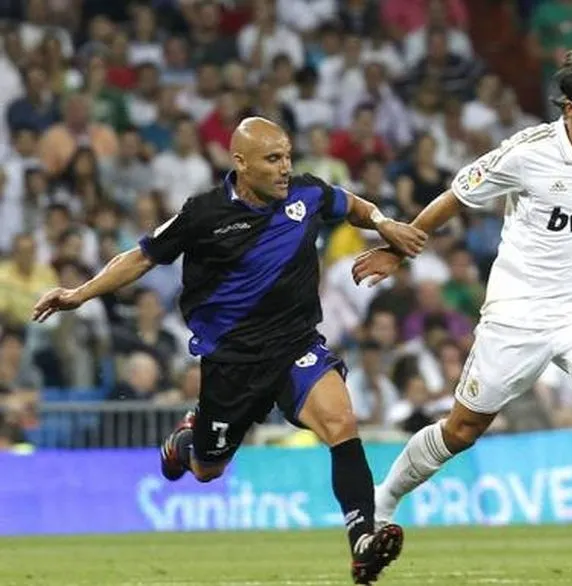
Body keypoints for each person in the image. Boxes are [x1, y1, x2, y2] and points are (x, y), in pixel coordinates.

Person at [353, 51, 572, 578]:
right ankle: (381, 502)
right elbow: (456, 196)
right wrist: (398, 248)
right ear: (571, 109)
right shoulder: (527, 153)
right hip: (516, 316)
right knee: (461, 430)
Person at [31, 117, 423, 584]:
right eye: (272, 159)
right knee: (206, 470)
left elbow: (352, 205)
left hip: (295, 345)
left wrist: (383, 223)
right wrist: (81, 292)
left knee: (342, 422)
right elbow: (140, 257)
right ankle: (187, 440)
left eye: (288, 157)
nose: (285, 169)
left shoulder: (308, 194)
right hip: (232, 362)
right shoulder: (203, 215)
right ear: (240, 163)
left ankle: (362, 539)